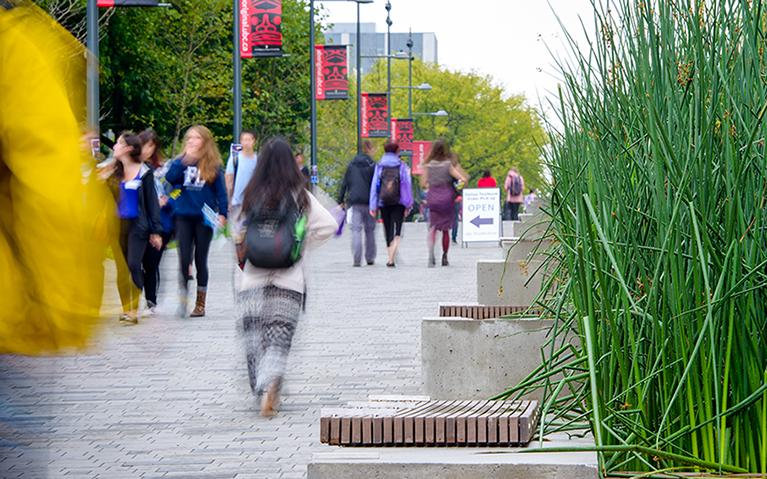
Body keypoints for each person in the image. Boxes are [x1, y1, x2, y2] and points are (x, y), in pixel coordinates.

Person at [234, 137, 336, 416]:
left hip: (253, 277)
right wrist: (300, 245)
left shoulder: (251, 193)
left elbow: (238, 231)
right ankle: (272, 386)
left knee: (255, 338)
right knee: (279, 336)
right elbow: (329, 225)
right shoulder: (299, 195)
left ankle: (260, 384)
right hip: (289, 278)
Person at [165, 125, 228, 318]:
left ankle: (200, 303)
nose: (192, 141)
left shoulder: (213, 165)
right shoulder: (180, 163)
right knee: (184, 259)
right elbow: (170, 179)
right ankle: (183, 300)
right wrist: (184, 160)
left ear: (205, 142)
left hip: (204, 217)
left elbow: (221, 192)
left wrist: (223, 214)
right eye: (189, 138)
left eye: (197, 138)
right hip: (183, 215)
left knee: (201, 259)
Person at [106, 132, 163, 324]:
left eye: (118, 143)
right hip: (118, 226)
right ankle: (127, 309)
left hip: (138, 227)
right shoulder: (113, 173)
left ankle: (134, 309)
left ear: (128, 149)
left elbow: (152, 203)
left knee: (133, 264)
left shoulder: (144, 172)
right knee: (122, 270)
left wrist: (155, 231)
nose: (114, 146)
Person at [139, 129, 174, 314]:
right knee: (140, 263)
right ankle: (143, 298)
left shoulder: (164, 168)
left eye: (151, 145)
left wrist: (168, 199)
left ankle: (151, 300)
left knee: (152, 263)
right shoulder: (134, 167)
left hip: (162, 222)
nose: (148, 149)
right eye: (145, 145)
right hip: (141, 221)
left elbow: (178, 189)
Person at [422, 140, 468, 267]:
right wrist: (457, 187)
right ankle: (444, 256)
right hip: (447, 199)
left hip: (433, 198)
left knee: (433, 228)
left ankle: (431, 253)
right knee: (445, 230)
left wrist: (431, 184)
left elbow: (423, 183)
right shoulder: (448, 165)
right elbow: (462, 179)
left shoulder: (428, 165)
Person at [369, 140, 413, 267]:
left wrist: (373, 205)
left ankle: (390, 258)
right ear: (397, 151)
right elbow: (406, 185)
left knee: (387, 229)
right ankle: (392, 254)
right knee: (397, 230)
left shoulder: (379, 166)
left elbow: (374, 186)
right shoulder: (402, 166)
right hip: (399, 202)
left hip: (384, 201)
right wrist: (408, 203)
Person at [337, 140, 377, 267]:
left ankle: (356, 258)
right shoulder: (372, 165)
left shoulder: (351, 165)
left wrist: (340, 199)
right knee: (370, 230)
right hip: (369, 202)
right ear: (369, 149)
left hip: (355, 201)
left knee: (355, 230)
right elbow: (376, 184)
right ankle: (370, 257)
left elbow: (345, 183)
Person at [226, 129, 259, 237]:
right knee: (237, 234)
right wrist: (229, 200)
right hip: (237, 202)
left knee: (251, 232)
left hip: (253, 203)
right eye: (244, 139)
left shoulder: (258, 160)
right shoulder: (235, 159)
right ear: (240, 141)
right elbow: (229, 179)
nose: (246, 142)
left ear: (254, 141)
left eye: (249, 139)